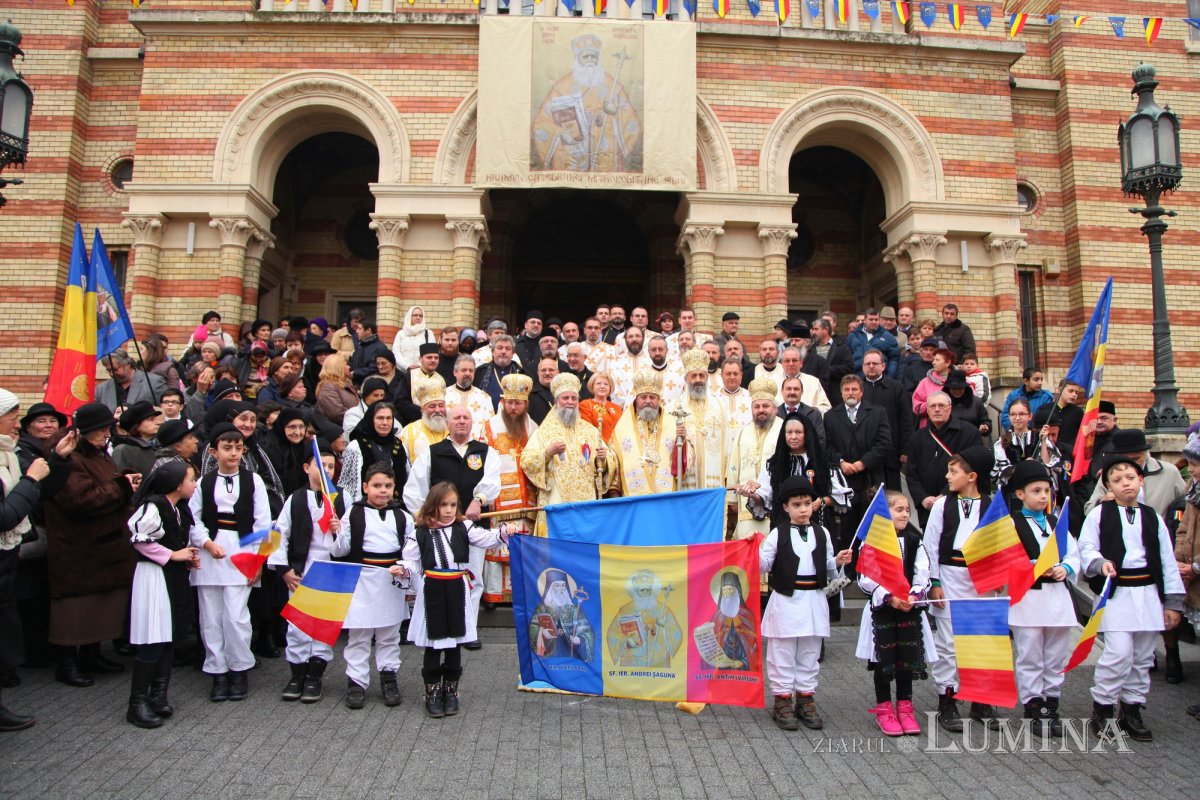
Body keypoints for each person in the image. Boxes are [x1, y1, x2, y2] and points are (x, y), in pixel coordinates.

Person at [1079, 453, 1185, 741]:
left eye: (1130, 477)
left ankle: (1132, 708)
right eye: (1117, 480)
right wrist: (1100, 563)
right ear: (1108, 486)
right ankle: (1103, 707)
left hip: (1148, 594)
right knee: (1118, 653)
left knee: (1142, 656)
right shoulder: (1099, 514)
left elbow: (1167, 561)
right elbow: (1086, 547)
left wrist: (1172, 602)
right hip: (1118, 594)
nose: (1125, 483)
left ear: (1140, 480)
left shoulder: (1153, 518)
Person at [43, 403, 137, 688]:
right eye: (101, 429)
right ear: (85, 431)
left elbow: (104, 483)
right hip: (77, 548)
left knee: (100, 607)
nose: (107, 434)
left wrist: (123, 479)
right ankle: (66, 663)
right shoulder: (67, 456)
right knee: (74, 609)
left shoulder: (97, 453)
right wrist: (122, 487)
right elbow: (80, 499)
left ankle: (91, 654)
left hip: (102, 546)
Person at [401, 482, 508, 718]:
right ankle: (432, 691)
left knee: (454, 643)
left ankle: (451, 690)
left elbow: (486, 538)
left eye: (452, 505)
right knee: (432, 644)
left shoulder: (464, 527)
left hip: (457, 589)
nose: (449, 510)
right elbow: (411, 561)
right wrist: (403, 570)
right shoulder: (419, 533)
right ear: (432, 506)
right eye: (443, 505)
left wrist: (503, 532)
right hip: (432, 589)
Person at [759, 475, 853, 731]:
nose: (803, 509)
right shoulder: (777, 534)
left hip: (813, 599)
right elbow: (763, 564)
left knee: (810, 652)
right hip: (786, 600)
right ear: (786, 507)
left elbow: (827, 568)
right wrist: (752, 549)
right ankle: (782, 699)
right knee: (782, 651)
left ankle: (806, 698)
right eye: (797, 505)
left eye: (807, 504)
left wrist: (838, 561)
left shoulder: (822, 533)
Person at [403, 405, 501, 650]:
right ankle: (439, 626)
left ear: (472, 423)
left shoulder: (485, 452)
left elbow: (492, 480)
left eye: (466, 418)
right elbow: (414, 489)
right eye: (456, 417)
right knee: (441, 577)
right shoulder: (432, 452)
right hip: (438, 529)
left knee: (473, 577)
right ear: (448, 423)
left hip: (472, 526)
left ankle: (468, 629)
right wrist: (425, 517)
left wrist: (478, 500)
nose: (461, 421)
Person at [188, 423, 272, 703]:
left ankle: (239, 668)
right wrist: (206, 543)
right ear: (214, 452)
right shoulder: (204, 482)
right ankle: (217, 670)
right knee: (211, 618)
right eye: (227, 448)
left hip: (242, 553)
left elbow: (263, 523)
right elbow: (193, 519)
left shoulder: (253, 481)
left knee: (236, 617)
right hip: (211, 554)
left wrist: (258, 560)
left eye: (238, 447)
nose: (233, 453)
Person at [924, 445, 1000, 732]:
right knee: (949, 643)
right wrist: (934, 582)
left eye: (953, 471)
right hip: (949, 576)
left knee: (982, 642)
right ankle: (947, 698)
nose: (947, 476)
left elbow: (1001, 545)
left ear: (972, 476)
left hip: (981, 580)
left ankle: (981, 699)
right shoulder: (943, 504)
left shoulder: (992, 505)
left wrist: (999, 576)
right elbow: (931, 545)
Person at [1006, 460, 1080, 738]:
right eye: (1036, 491)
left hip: (1057, 599)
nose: (1043, 496)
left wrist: (1066, 567)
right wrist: (1033, 566)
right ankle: (1033, 707)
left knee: (1055, 657)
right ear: (1020, 494)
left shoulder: (1055, 522)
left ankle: (1051, 705)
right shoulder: (1010, 524)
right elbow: (1004, 558)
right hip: (1028, 600)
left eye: (1046, 491)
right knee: (1030, 655)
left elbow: (1073, 552)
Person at [329, 463, 413, 709]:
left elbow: (411, 553)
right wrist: (335, 533)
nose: (382, 490)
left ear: (394, 488)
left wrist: (409, 584)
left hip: (391, 580)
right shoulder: (354, 513)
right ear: (365, 487)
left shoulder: (403, 516)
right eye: (377, 486)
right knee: (359, 635)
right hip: (362, 580)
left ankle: (389, 677)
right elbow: (340, 550)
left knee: (389, 635)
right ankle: (356, 681)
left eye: (388, 485)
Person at [124, 459, 200, 729]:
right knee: (153, 638)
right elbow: (139, 539)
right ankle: (137, 703)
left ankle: (158, 696)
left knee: (167, 637)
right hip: (153, 577)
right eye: (191, 479)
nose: (194, 484)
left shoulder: (178, 508)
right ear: (177, 484)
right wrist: (172, 555)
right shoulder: (153, 506)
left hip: (171, 577)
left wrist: (185, 558)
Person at [855, 491, 934, 738]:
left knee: (905, 660)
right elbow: (866, 576)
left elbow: (922, 571)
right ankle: (884, 709)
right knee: (883, 661)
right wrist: (889, 597)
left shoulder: (914, 541)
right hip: (883, 611)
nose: (905, 514)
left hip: (907, 609)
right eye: (899, 509)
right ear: (884, 513)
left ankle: (905, 707)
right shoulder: (872, 543)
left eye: (907, 510)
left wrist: (915, 594)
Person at [0, 391, 58, 731]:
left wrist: (58, 461)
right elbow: (5, 516)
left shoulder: (8, 454)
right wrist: (31, 479)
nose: (16, 424)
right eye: (12, 416)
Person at [269, 441, 343, 704]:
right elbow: (279, 534)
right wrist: (284, 569)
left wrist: (338, 531)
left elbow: (348, 540)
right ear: (306, 467)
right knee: (299, 625)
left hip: (330, 570)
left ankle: (315, 675)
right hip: (301, 569)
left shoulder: (341, 499)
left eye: (331, 467)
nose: (326, 471)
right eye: (321, 466)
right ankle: (297, 674)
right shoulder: (295, 498)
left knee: (323, 625)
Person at [530, 33, 641, 173]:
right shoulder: (561, 87)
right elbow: (542, 123)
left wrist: (615, 113)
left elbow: (632, 123)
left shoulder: (613, 87)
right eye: (585, 56)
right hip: (572, 152)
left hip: (603, 151)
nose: (590, 60)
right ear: (577, 59)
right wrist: (560, 134)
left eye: (593, 57)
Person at [521, 373, 614, 535]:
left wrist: (604, 459)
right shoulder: (544, 431)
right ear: (556, 401)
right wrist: (547, 453)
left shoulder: (590, 430)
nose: (570, 402)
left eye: (573, 398)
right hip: (555, 499)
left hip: (586, 501)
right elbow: (527, 461)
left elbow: (609, 460)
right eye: (565, 398)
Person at [478, 375, 539, 606]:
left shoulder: (533, 427)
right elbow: (482, 462)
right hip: (500, 496)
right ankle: (494, 595)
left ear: (526, 404)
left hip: (527, 497)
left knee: (521, 546)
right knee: (498, 544)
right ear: (502, 402)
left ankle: (520, 595)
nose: (513, 407)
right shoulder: (489, 427)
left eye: (518, 403)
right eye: (510, 402)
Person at [823, 375, 892, 551]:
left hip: (870, 479)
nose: (850, 393)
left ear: (861, 392)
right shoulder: (830, 416)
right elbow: (827, 446)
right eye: (846, 390)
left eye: (854, 389)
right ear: (841, 393)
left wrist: (863, 463)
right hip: (844, 482)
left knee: (872, 529)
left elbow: (884, 443)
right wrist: (841, 462)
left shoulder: (877, 413)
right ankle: (849, 565)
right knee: (847, 530)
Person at [906, 392, 979, 527]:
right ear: (927, 410)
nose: (937, 409)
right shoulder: (917, 438)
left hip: (958, 504)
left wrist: (945, 495)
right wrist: (923, 498)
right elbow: (911, 474)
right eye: (932, 406)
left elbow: (971, 468)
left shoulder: (969, 433)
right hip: (928, 508)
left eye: (941, 406)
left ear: (950, 408)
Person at [728, 381, 783, 541]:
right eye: (756, 406)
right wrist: (732, 498)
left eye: (766, 406)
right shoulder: (743, 432)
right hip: (746, 507)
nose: (761, 410)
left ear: (775, 408)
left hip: (775, 506)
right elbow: (734, 465)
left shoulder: (784, 429)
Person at [609, 371, 676, 496]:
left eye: (652, 397)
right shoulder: (623, 426)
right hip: (634, 497)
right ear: (636, 399)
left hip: (665, 495)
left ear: (659, 400)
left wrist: (684, 441)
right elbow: (614, 458)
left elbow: (683, 458)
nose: (648, 401)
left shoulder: (672, 423)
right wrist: (604, 460)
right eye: (643, 397)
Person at [674, 349, 728, 491]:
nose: (698, 380)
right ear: (686, 379)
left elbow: (727, 442)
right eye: (693, 376)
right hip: (687, 479)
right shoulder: (675, 407)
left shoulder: (720, 406)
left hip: (713, 477)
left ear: (707, 378)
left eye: (701, 376)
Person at [859, 349, 911, 492]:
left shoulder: (896, 387)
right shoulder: (857, 389)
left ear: (883, 366)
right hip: (863, 454)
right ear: (862, 367)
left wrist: (905, 449)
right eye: (867, 363)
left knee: (891, 495)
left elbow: (905, 419)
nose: (871, 366)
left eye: (875, 363)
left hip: (891, 452)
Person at [1172, 433, 1200, 698]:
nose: (1190, 469)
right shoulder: (1194, 489)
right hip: (1192, 576)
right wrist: (1181, 561)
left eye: (1195, 464)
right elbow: (1183, 530)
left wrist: (1196, 567)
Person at [340, 402, 408, 507]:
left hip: (396, 509)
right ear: (370, 419)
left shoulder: (399, 446)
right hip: (363, 509)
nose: (385, 423)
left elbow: (407, 479)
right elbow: (348, 486)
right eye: (380, 418)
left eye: (389, 418)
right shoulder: (356, 446)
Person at [529, 568, 595, 661]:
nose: (561, 589)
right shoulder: (542, 608)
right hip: (550, 654)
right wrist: (543, 633)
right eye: (557, 586)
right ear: (550, 588)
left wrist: (580, 639)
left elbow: (588, 632)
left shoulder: (575, 609)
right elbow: (532, 627)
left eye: (563, 585)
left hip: (571, 654)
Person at [993, 398, 1037, 508]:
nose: (1017, 418)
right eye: (1013, 414)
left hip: (1035, 490)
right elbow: (1001, 471)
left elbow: (1048, 465)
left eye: (1021, 414)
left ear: (1030, 416)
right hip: (1012, 492)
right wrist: (1024, 466)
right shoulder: (1002, 442)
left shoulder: (1038, 438)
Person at [400, 375, 450, 468]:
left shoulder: (453, 428)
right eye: (432, 406)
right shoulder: (408, 432)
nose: (437, 410)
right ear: (422, 409)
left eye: (441, 405)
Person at [96, 349, 168, 411]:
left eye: (115, 369)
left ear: (128, 364)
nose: (112, 374)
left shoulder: (154, 382)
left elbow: (166, 411)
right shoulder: (101, 389)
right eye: (108, 370)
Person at [112, 401, 164, 480]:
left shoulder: (162, 445)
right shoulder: (123, 450)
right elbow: (120, 482)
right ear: (136, 426)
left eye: (156, 418)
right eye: (151, 419)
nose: (158, 422)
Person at [475, 334, 523, 410]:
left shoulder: (521, 373)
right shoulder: (480, 372)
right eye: (500, 348)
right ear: (492, 351)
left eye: (508, 349)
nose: (503, 351)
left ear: (513, 354)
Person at [445, 355, 494, 428]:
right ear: (455, 372)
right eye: (464, 370)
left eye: (471, 371)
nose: (468, 373)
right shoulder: (444, 395)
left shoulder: (484, 398)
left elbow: (490, 427)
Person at [911, 346, 955, 424]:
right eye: (934, 360)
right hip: (929, 427)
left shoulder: (963, 382)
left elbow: (972, 405)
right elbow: (916, 407)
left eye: (937, 360)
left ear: (947, 363)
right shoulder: (925, 382)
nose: (933, 362)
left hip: (956, 426)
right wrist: (932, 404)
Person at [944, 370, 990, 443]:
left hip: (972, 442)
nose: (957, 391)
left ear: (965, 388)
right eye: (953, 389)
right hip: (948, 443)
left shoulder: (976, 402)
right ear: (948, 388)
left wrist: (985, 426)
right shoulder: (942, 402)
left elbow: (985, 420)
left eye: (960, 388)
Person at [315, 353, 358, 427]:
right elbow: (337, 414)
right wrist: (359, 419)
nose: (349, 367)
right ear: (338, 368)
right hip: (344, 429)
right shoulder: (328, 388)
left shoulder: (345, 384)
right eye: (346, 365)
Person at [578, 372, 620, 443]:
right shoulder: (585, 405)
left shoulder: (616, 407)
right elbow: (588, 430)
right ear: (592, 386)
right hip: (598, 446)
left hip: (618, 447)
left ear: (610, 388)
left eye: (606, 384)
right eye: (598, 383)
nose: (602, 386)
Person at [349, 320, 390, 385]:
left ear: (368, 330)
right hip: (354, 385)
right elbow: (353, 364)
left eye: (359, 329)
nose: (357, 331)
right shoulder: (360, 345)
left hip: (371, 386)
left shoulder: (380, 347)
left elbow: (375, 367)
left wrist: (354, 374)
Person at [392, 305, 434, 369]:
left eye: (421, 316)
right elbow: (396, 352)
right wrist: (406, 366)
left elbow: (431, 352)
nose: (418, 318)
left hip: (422, 370)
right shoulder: (401, 334)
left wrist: (419, 365)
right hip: (403, 371)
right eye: (415, 315)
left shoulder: (428, 333)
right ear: (409, 316)